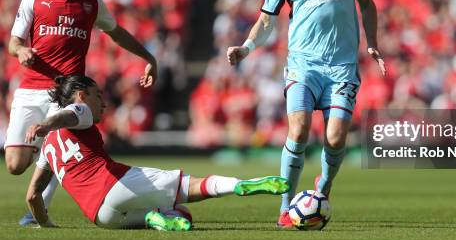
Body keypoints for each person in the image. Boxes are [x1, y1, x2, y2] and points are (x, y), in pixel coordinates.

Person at [227, 0, 386, 228]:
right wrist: (246, 47)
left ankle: (322, 190)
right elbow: (265, 21)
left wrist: (372, 41)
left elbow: (367, 4)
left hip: (341, 66)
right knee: (298, 130)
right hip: (303, 65)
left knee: (337, 137)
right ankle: (285, 209)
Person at [5, 0, 158, 226]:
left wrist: (148, 56)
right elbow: (13, 41)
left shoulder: (91, 2)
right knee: (14, 165)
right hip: (29, 89)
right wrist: (22, 51)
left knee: (57, 142)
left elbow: (117, 33)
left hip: (65, 93)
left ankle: (37, 212)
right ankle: (42, 149)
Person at [25, 75, 290, 230]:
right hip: (115, 183)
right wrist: (45, 124)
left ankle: (154, 219)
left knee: (180, 215)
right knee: (190, 187)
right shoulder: (79, 111)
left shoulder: (48, 148)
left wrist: (47, 225)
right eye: (98, 95)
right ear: (81, 95)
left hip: (100, 216)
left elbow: (33, 195)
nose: (103, 102)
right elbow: (70, 115)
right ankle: (241, 185)